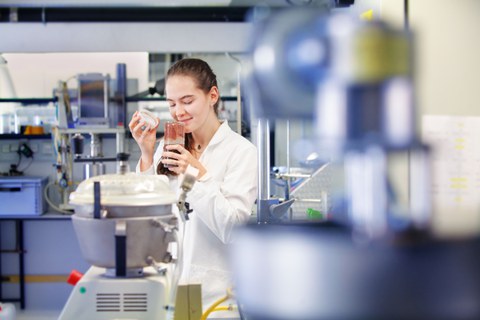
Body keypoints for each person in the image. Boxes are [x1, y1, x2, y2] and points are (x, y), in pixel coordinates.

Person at [129, 58, 258, 313]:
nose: (179, 112)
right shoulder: (170, 148)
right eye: (172, 103)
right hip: (171, 286)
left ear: (212, 96)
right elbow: (149, 215)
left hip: (216, 292)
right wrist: (146, 154)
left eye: (187, 101)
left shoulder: (241, 152)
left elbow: (234, 229)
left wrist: (197, 176)